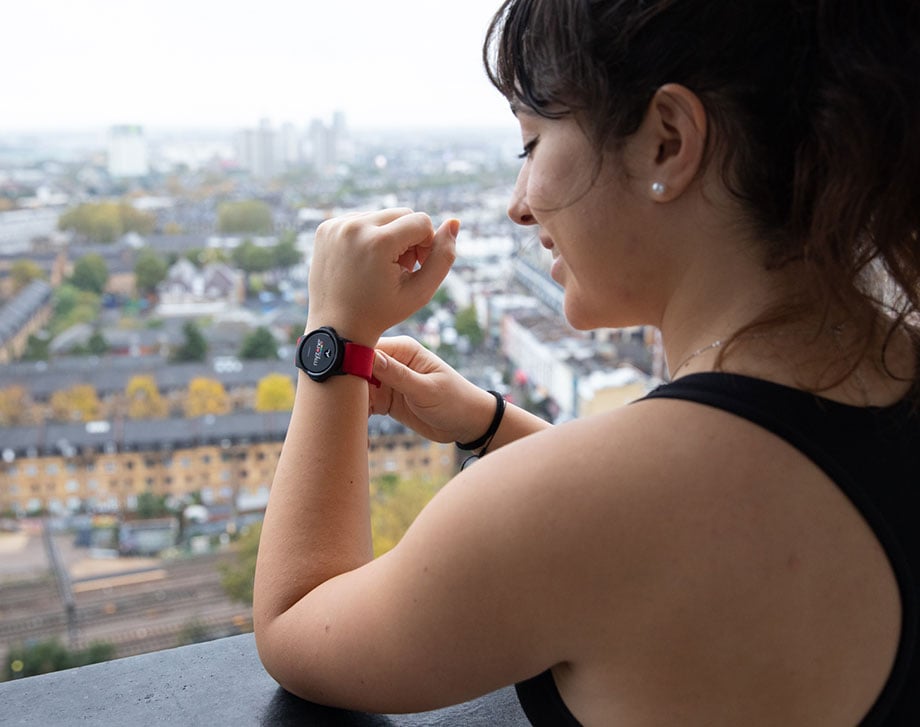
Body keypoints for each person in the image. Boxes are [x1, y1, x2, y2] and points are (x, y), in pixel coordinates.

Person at [253, 1, 920, 724]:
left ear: (668, 141)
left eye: (532, 144)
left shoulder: (581, 515)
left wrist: (337, 336)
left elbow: (296, 622)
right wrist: (488, 423)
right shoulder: (891, 375)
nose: (519, 205)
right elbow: (709, 502)